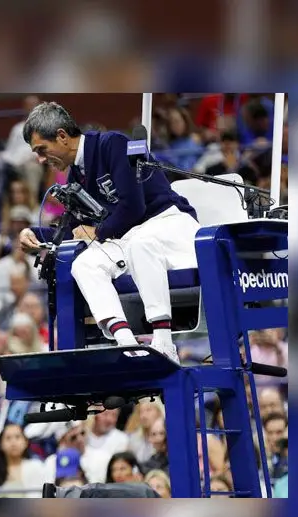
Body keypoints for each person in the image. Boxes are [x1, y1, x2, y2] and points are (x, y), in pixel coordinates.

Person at [18, 102, 200, 362]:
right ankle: (126, 342)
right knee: (84, 264)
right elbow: (74, 231)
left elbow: (134, 207)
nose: (40, 159)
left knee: (139, 243)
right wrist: (35, 235)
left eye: (41, 150)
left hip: (167, 223)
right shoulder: (75, 178)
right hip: (129, 237)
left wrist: (98, 230)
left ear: (61, 136)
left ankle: (163, 343)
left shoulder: (113, 144)